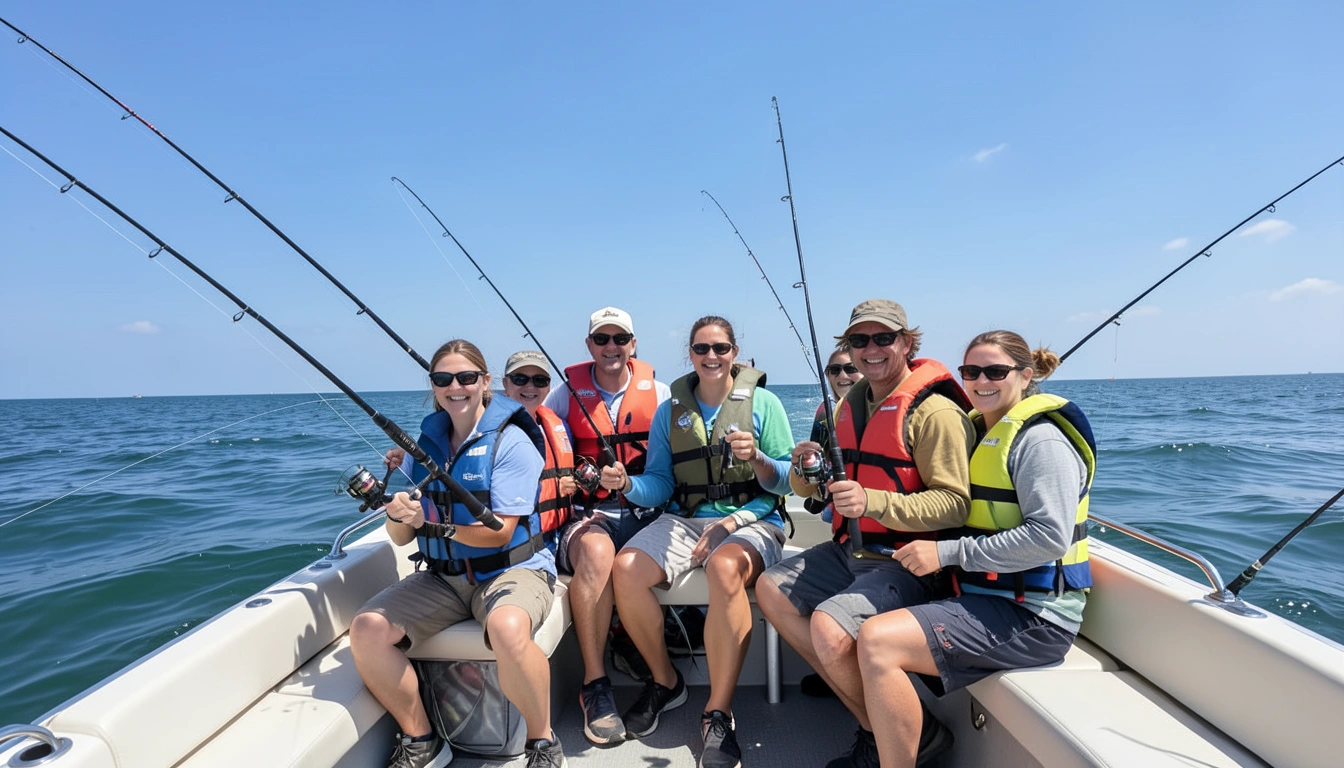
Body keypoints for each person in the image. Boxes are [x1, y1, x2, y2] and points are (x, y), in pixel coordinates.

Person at [857, 330, 1095, 767]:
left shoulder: (1040, 442)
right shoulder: (976, 431)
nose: (981, 381)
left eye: (996, 371)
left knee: (877, 641)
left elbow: (1049, 537)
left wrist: (948, 554)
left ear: (1026, 376)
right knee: (854, 613)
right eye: (970, 371)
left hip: (1036, 617)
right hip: (981, 594)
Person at [754, 299, 975, 768]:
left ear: (907, 343)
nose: (870, 350)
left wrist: (873, 502)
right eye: (859, 341)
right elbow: (808, 490)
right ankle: (889, 730)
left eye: (883, 338)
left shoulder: (933, 413)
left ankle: (896, 738)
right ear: (848, 349)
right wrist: (801, 466)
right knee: (771, 590)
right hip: (850, 550)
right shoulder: (847, 410)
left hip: (910, 560)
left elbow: (956, 504)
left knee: (829, 629)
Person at [349, 340, 565, 768]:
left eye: (467, 377)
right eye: (443, 379)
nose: (456, 387)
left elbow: (501, 534)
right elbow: (398, 538)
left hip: (513, 569)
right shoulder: (422, 448)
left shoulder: (513, 442)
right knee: (367, 629)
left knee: (506, 627)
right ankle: (421, 738)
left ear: (485, 382)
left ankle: (542, 741)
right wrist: (399, 514)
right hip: (443, 577)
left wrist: (429, 523)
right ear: (433, 386)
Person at [602, 315, 795, 768]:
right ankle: (666, 681)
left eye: (721, 348)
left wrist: (759, 460)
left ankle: (718, 712)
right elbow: (659, 484)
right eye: (702, 349)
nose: (712, 357)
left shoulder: (764, 404)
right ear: (689, 354)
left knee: (725, 567)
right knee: (626, 569)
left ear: (735, 353)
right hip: (684, 519)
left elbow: (786, 484)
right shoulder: (671, 412)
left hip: (754, 519)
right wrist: (627, 485)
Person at [541, 306, 673, 745]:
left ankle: (643, 652)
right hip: (588, 516)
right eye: (602, 339)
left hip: (648, 514)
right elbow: (526, 434)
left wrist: (632, 484)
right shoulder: (563, 395)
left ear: (634, 344)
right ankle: (595, 686)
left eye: (620, 338)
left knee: (633, 561)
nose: (611, 347)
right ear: (589, 346)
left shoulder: (661, 394)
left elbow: (675, 467)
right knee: (598, 553)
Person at [800, 345, 865, 699]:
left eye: (850, 369)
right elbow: (816, 464)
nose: (842, 377)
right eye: (834, 370)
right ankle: (838, 673)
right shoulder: (825, 413)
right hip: (838, 521)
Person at [503, 350, 578, 540]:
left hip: (560, 532)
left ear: (548, 386)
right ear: (505, 384)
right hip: (520, 541)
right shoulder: (493, 431)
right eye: (520, 379)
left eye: (539, 380)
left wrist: (576, 483)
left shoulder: (561, 427)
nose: (530, 386)